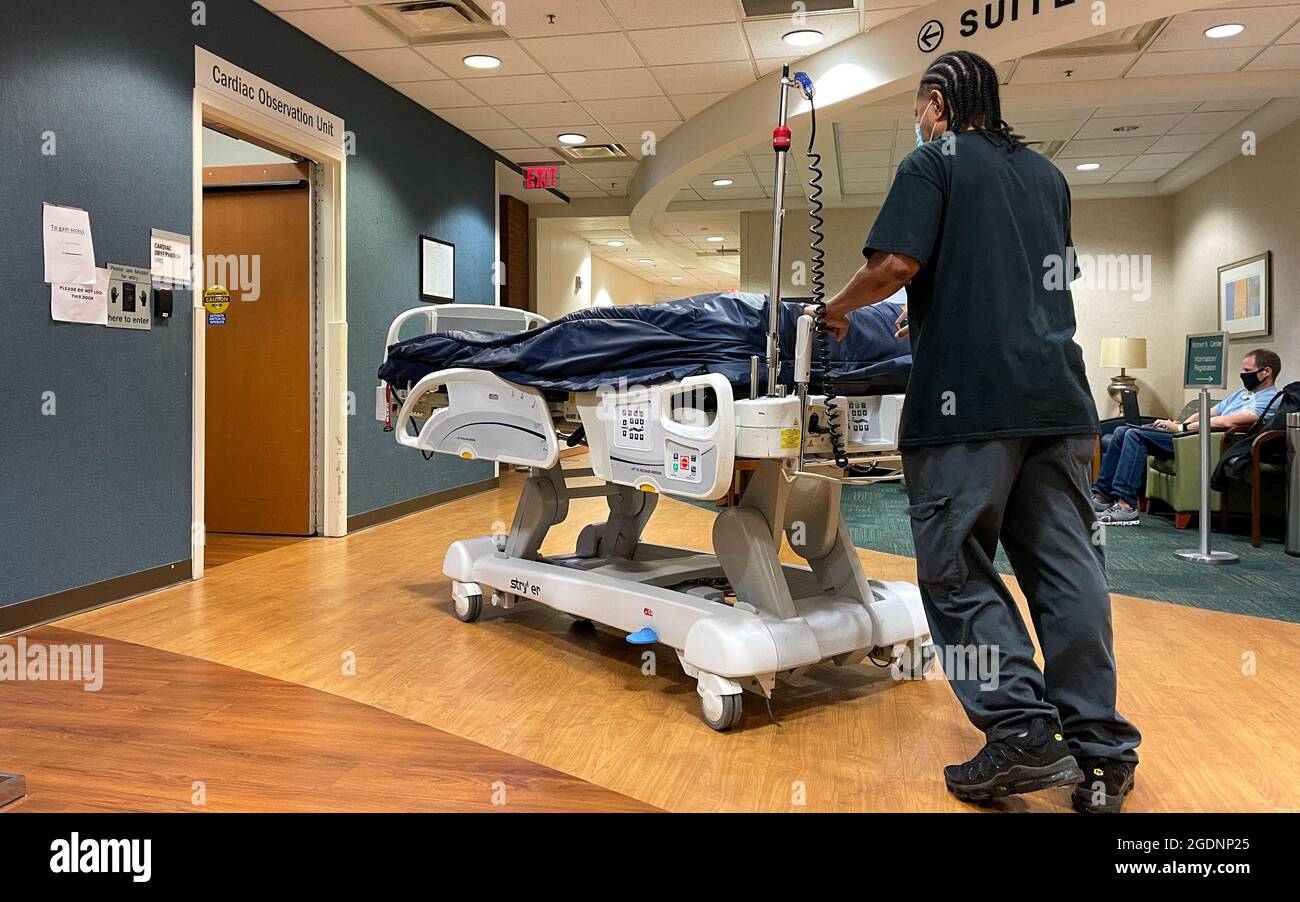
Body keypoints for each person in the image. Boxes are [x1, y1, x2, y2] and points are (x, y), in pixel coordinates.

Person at [814, 50, 1141, 812]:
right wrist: (924, 305)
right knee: (1068, 575)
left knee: (957, 571)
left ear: (936, 103)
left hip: (970, 409)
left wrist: (838, 308)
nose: (918, 119)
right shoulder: (1046, 175)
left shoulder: (934, 160)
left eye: (919, 107)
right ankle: (1100, 756)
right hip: (1058, 404)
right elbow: (1027, 280)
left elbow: (896, 261)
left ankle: (1022, 735)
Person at [1095, 350, 1281, 525]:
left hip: (1206, 443)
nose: (1243, 374)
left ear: (1266, 372)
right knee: (1121, 431)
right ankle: (1102, 496)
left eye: (1248, 370)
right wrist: (1177, 423)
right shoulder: (1242, 394)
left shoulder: (1270, 398)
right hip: (1189, 436)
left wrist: (1182, 427)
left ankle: (1126, 506)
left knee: (1135, 435)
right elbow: (1209, 412)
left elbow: (1228, 422)